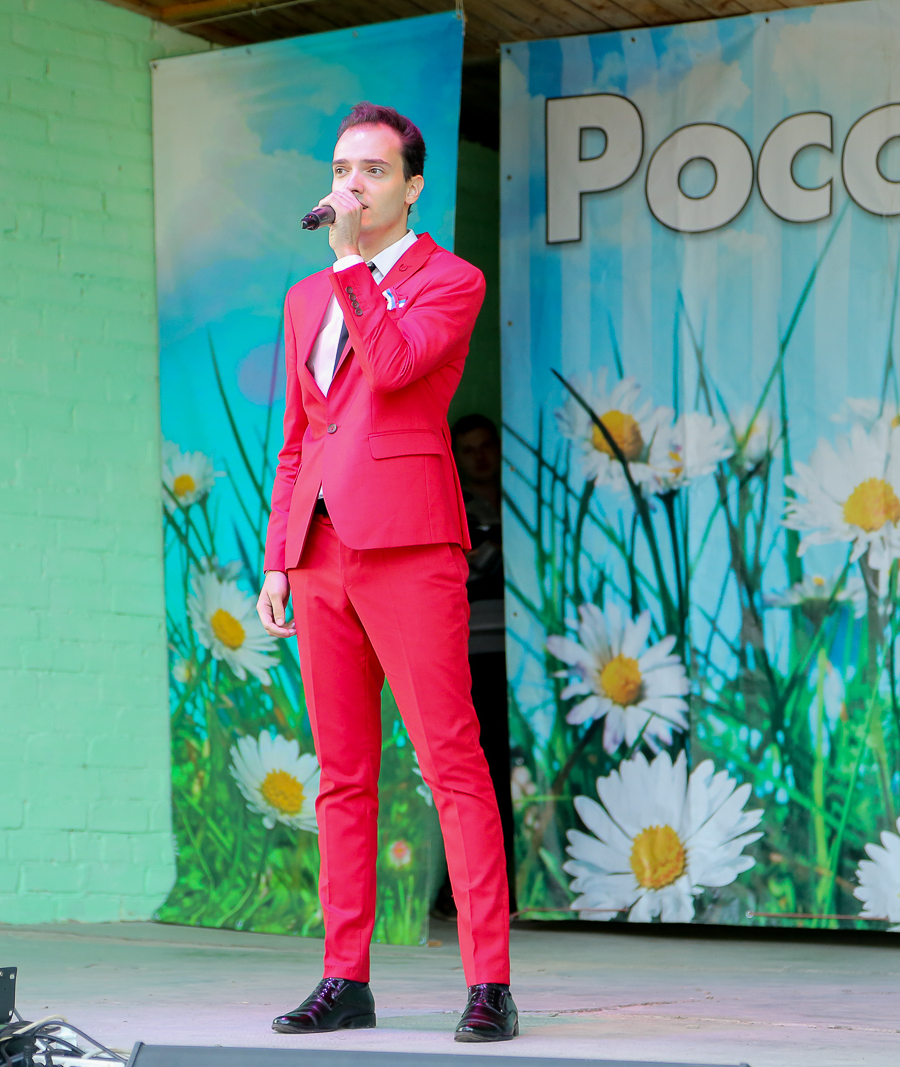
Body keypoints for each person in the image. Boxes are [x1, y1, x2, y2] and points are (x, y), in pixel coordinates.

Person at [255, 102, 518, 1043]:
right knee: (341, 775)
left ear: (412, 188)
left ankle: (489, 982)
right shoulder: (305, 300)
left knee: (452, 761)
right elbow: (298, 436)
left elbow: (399, 367)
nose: (352, 185)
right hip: (320, 552)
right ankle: (344, 977)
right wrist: (279, 555)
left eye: (372, 171)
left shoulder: (451, 279)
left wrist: (351, 267)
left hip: (409, 544)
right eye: (341, 169)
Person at [444, 413, 517, 914]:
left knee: (522, 769)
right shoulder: (453, 503)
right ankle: (477, 890)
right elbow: (465, 568)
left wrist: (493, 550)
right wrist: (498, 550)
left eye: (486, 445)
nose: (480, 457)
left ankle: (522, 880)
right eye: (467, 449)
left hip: (529, 655)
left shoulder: (521, 498)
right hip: (477, 654)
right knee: (483, 767)